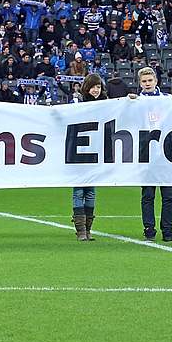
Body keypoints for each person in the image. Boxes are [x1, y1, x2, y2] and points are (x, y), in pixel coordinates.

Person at [129, 67, 172, 241]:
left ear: (156, 81)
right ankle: (149, 229)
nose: (147, 84)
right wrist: (128, 103)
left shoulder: (168, 100)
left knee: (169, 196)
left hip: (167, 153)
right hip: (146, 153)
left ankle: (168, 230)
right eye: (144, 81)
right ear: (139, 83)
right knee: (148, 195)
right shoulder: (135, 101)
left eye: (150, 80)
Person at [71, 74, 106, 241]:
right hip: (79, 151)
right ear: (86, 87)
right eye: (93, 86)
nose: (96, 89)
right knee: (79, 191)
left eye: (98, 86)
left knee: (91, 191)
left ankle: (88, 229)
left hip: (97, 152)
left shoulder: (108, 103)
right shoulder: (78, 103)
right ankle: (80, 231)